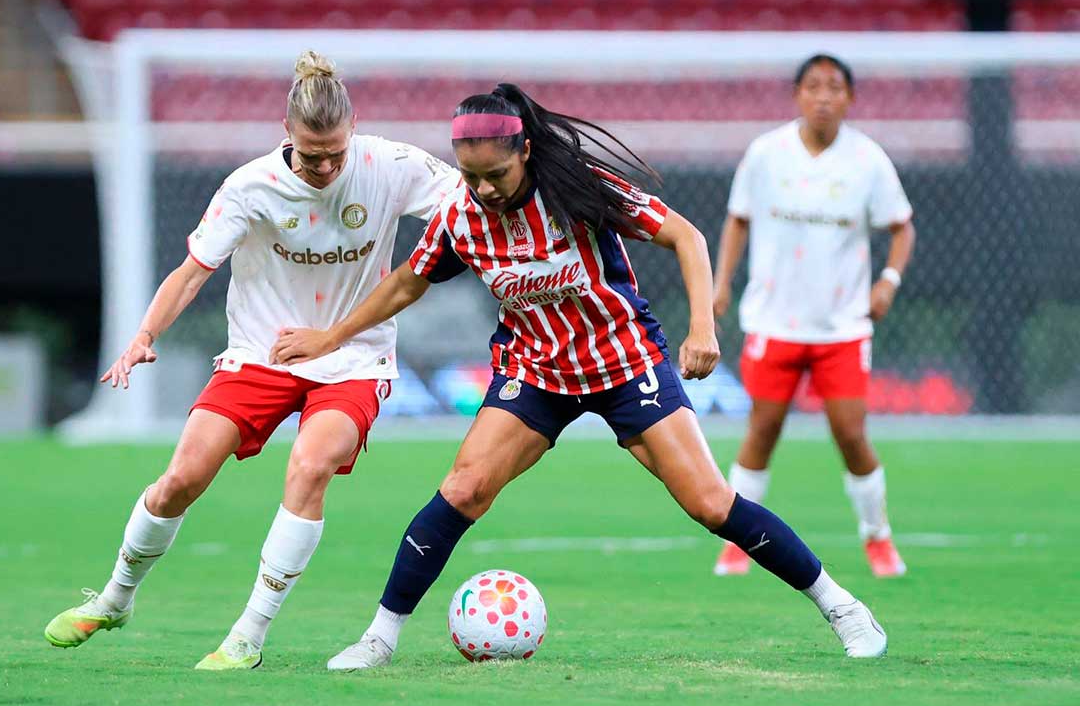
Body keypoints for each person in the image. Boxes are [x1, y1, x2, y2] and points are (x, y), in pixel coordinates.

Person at [271, 83, 889, 669]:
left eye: (496, 174)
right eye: (470, 175)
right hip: (535, 372)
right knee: (463, 489)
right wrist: (331, 336)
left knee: (709, 503)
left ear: (525, 151)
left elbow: (686, 236)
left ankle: (844, 609)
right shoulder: (460, 215)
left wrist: (702, 326)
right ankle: (378, 640)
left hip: (624, 362)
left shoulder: (576, 188)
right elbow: (408, 281)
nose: (484, 189)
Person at [42, 51, 461, 669]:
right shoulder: (249, 186)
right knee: (181, 478)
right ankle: (115, 598)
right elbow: (192, 273)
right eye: (311, 155)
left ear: (354, 129)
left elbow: (476, 199)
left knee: (310, 466)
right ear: (286, 133)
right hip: (261, 355)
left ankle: (249, 634)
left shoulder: (390, 165)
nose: (325, 167)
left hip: (353, 358)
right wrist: (143, 335)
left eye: (335, 153)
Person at [710, 54, 916, 579]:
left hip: (841, 327)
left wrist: (888, 281)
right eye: (813, 86)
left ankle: (878, 537)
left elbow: (902, 226)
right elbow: (738, 220)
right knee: (762, 429)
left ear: (850, 97)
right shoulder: (766, 153)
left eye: (834, 87)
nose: (823, 96)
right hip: (774, 322)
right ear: (797, 93)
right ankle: (738, 543)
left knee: (850, 432)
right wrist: (721, 282)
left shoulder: (867, 160)